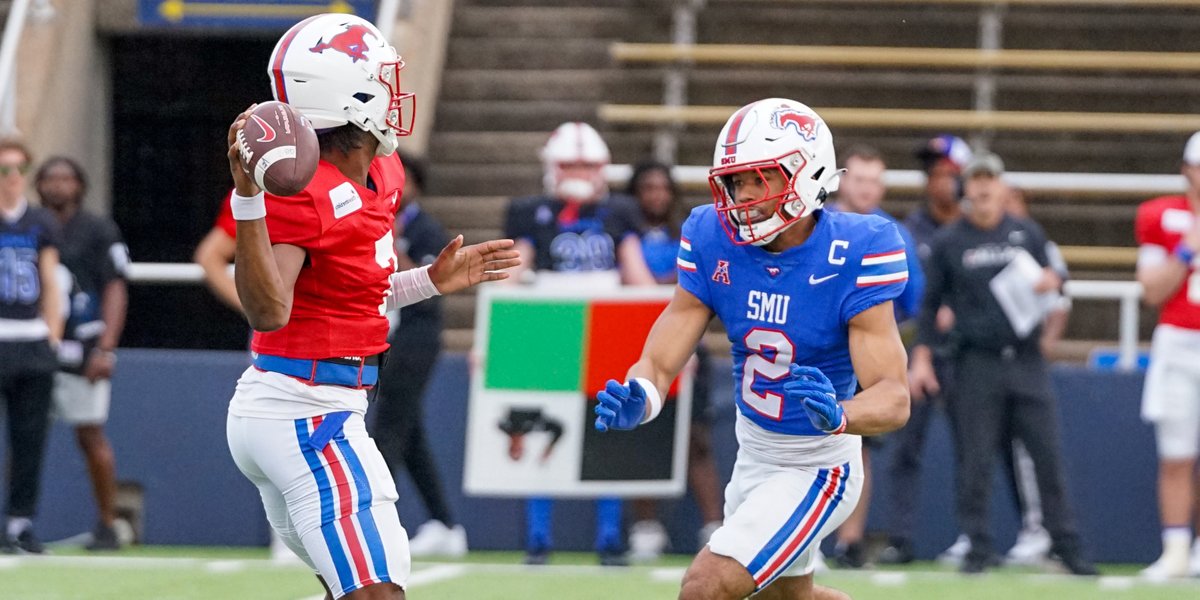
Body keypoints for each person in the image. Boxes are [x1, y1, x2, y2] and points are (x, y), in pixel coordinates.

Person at [223, 14, 518, 600]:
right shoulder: (298, 190)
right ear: (347, 95)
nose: (394, 92)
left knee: (349, 589)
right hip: (305, 412)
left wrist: (429, 282)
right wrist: (248, 200)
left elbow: (359, 293)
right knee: (378, 592)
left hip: (315, 405)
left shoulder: (381, 169)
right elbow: (268, 311)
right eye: (382, 80)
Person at [595, 98, 911, 600]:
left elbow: (895, 396)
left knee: (704, 586)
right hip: (754, 454)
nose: (743, 195)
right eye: (736, 180)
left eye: (759, 179)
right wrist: (645, 394)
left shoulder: (856, 248)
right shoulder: (711, 236)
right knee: (791, 599)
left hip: (818, 464)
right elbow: (663, 351)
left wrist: (841, 413)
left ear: (806, 175)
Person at [907, 152, 1096, 576]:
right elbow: (929, 304)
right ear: (967, 189)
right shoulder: (949, 241)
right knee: (974, 459)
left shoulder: (1025, 232)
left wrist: (1054, 281)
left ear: (1002, 185)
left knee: (1047, 457)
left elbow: (1058, 276)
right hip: (976, 362)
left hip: (1026, 360)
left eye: (991, 179)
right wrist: (921, 356)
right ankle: (977, 545)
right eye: (977, 180)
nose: (984, 187)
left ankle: (1066, 544)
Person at [502, 121, 653, 566]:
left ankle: (609, 536)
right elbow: (513, 276)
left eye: (588, 165)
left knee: (604, 430)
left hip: (607, 324)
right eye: (572, 163)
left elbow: (637, 276)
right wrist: (489, 340)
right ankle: (538, 536)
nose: (581, 172)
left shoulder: (620, 211)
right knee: (543, 426)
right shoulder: (530, 211)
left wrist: (656, 339)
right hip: (548, 325)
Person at [825, 145, 924, 569]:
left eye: (875, 181)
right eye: (860, 179)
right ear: (842, 179)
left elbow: (916, 304)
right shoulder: (814, 223)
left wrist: (913, 357)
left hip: (868, 349)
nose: (867, 189)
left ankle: (848, 542)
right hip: (814, 347)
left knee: (855, 442)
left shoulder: (892, 234)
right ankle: (799, 538)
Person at [621, 160, 724, 562]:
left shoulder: (688, 233)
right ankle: (647, 527)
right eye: (647, 187)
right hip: (636, 346)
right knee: (642, 434)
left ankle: (713, 525)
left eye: (663, 187)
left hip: (689, 347)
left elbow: (695, 289)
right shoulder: (623, 234)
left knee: (697, 439)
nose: (656, 195)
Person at [877, 134, 971, 565]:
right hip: (917, 351)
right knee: (906, 449)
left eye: (947, 175)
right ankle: (901, 537)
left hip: (971, 354)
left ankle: (975, 536)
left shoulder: (981, 228)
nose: (938, 183)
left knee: (976, 450)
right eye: (932, 175)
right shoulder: (907, 231)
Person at [369, 154, 467, 559]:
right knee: (410, 434)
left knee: (389, 427)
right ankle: (445, 524)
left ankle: (375, 520)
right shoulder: (370, 220)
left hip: (416, 335)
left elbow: (432, 285)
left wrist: (391, 240)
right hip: (383, 334)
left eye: (405, 178)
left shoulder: (426, 230)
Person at [36, 157, 129, 550]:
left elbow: (115, 286)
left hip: (83, 347)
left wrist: (106, 347)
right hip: (31, 346)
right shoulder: (27, 225)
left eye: (67, 178)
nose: (58, 185)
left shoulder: (98, 229)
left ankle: (107, 523)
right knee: (22, 437)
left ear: (81, 185)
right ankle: (16, 522)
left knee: (90, 436)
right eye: (50, 178)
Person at [1135, 131, 1200, 579]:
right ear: (1186, 171)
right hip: (1178, 340)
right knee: (1176, 452)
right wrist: (1188, 248)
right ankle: (1176, 549)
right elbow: (1152, 289)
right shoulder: (1161, 215)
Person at [0, 138, 63, 554]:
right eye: (4, 170)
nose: (13, 178)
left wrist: (52, 336)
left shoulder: (40, 222)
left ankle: (20, 523)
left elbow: (51, 281)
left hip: (31, 341)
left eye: (19, 168)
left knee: (30, 439)